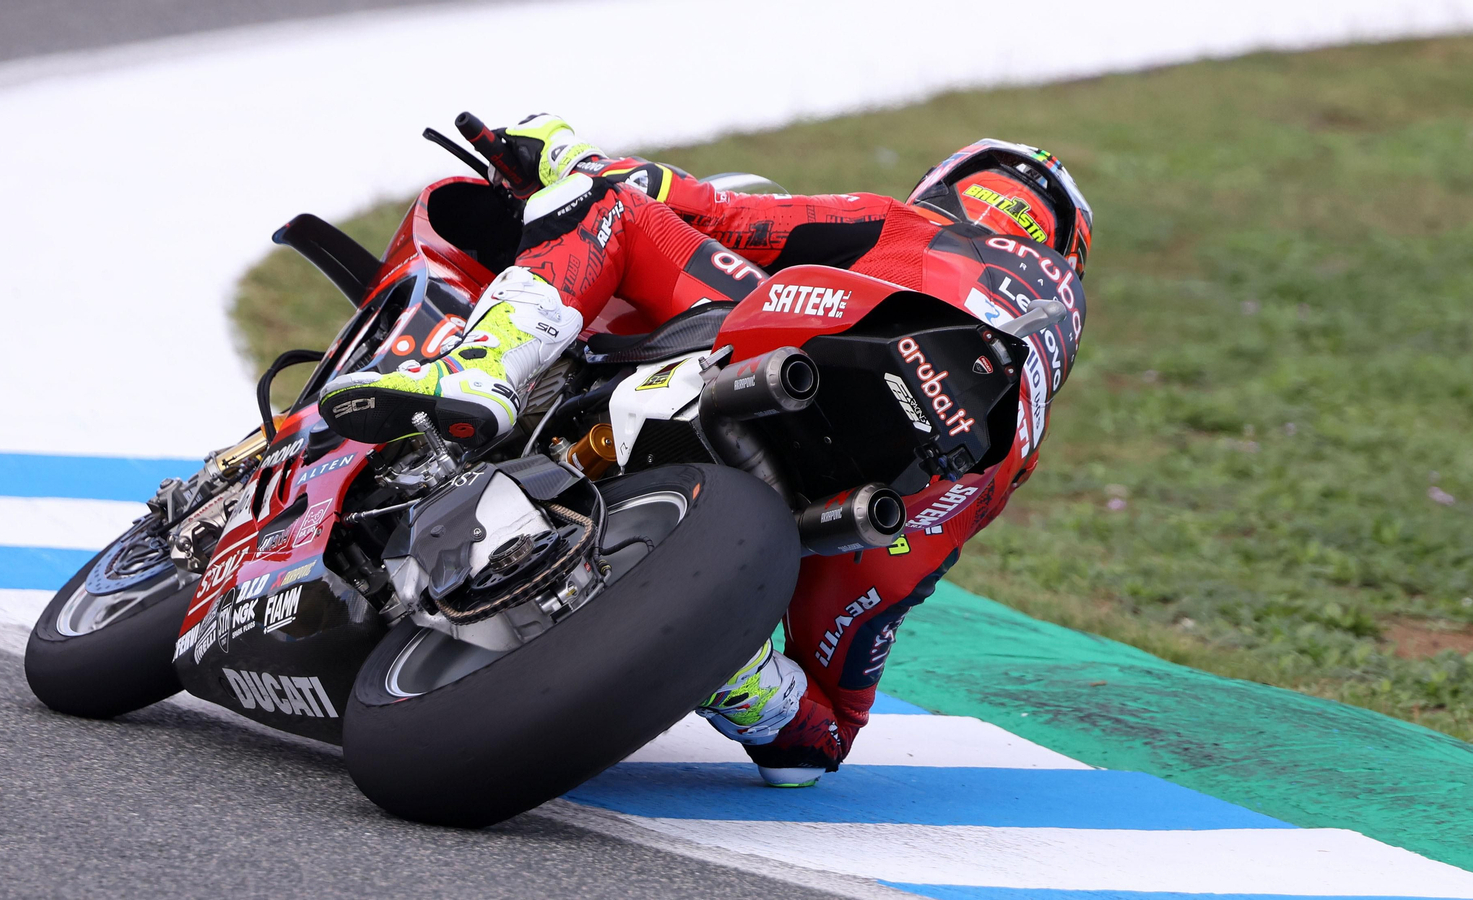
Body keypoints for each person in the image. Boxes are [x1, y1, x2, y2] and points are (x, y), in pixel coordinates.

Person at [320, 114, 1092, 787]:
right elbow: (813, 753)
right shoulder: (1025, 429)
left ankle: (482, 373)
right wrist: (712, 639)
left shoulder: (908, 223)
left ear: (949, 186)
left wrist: (558, 155)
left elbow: (706, 206)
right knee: (817, 736)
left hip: (814, 347)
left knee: (607, 209)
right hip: (933, 493)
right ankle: (744, 676)